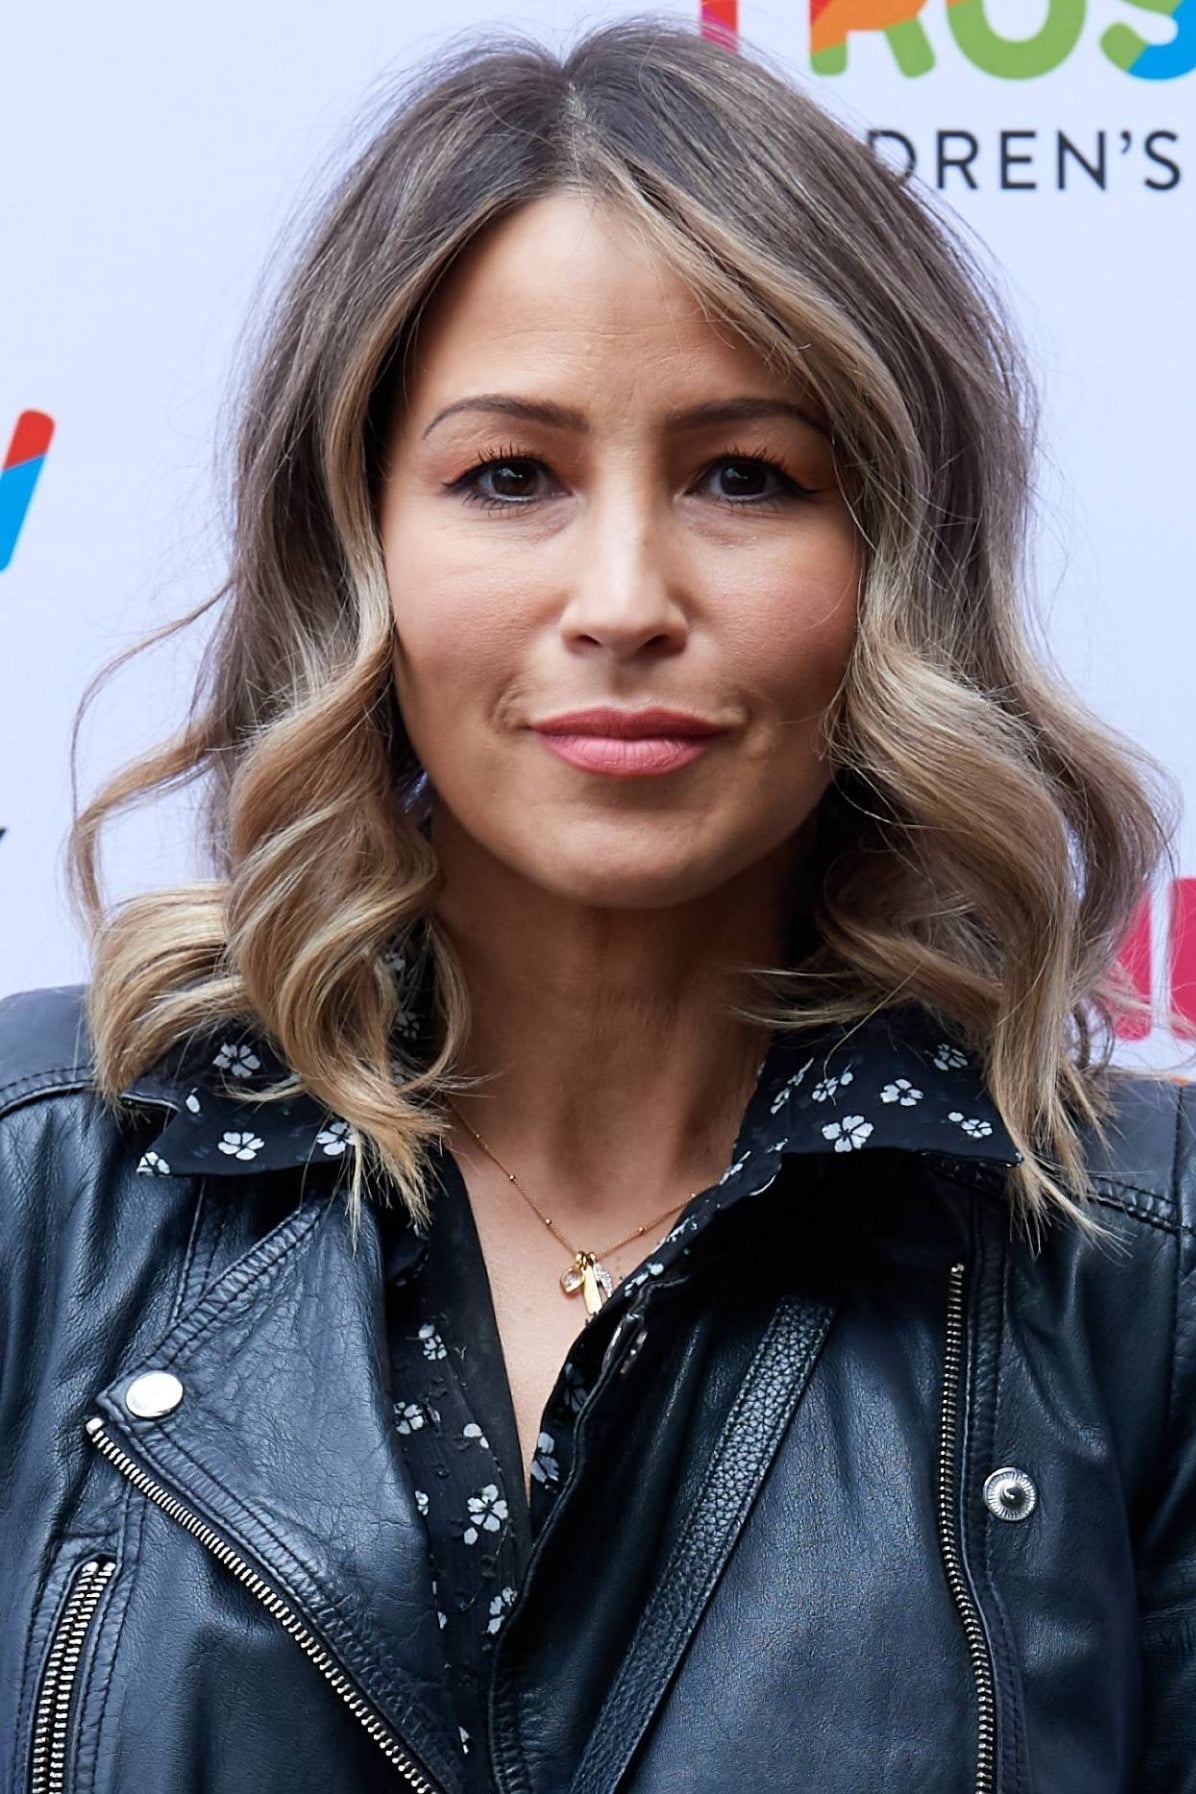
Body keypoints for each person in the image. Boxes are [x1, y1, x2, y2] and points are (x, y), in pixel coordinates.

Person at [1, 15, 1193, 1794]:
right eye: (511, 476)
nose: (625, 596)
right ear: (355, 544)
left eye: (745, 476)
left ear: (895, 559)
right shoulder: (36, 1180)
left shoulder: (1144, 1270)